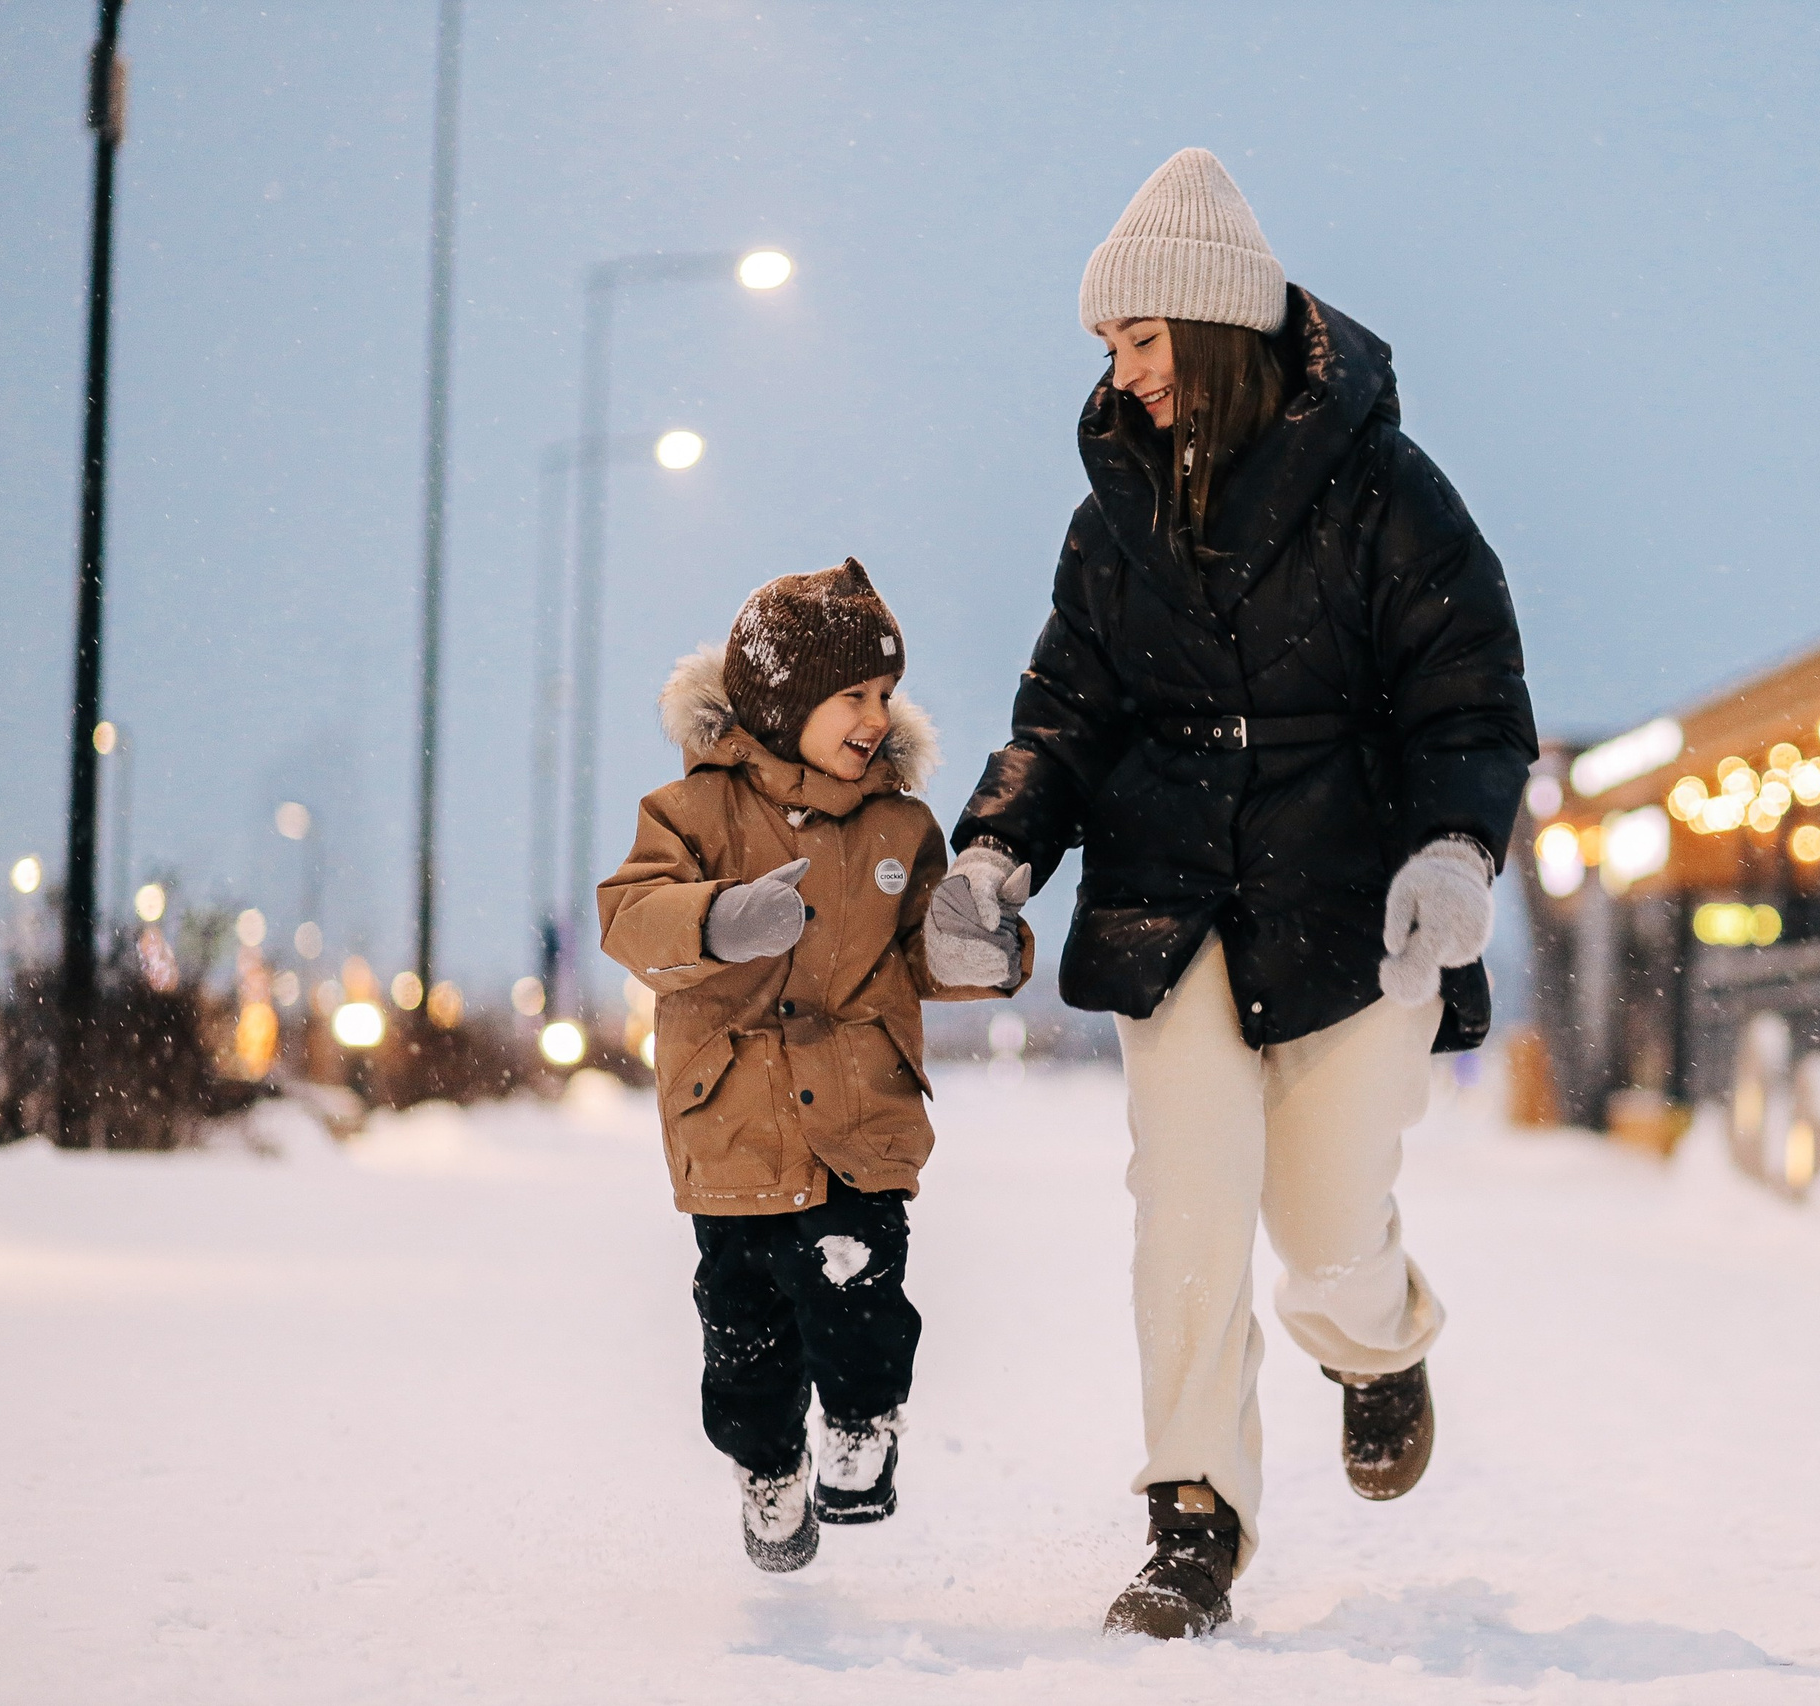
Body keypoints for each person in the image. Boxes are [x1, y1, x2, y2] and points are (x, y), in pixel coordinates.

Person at [932, 148, 1536, 1637]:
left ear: (1211, 326)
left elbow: (1468, 695)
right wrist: (995, 851)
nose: (1122, 372)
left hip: (1353, 905)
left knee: (1326, 1228)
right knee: (1188, 1209)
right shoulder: (1112, 519)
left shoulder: (1387, 492)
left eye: (1140, 338)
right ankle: (1191, 1519)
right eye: (1108, 346)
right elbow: (1064, 715)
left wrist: (1453, 851)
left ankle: (1377, 1340)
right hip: (1171, 899)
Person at [599, 559, 1030, 1573]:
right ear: (783, 703)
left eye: (885, 693)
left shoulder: (899, 825)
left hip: (857, 1115)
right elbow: (630, 917)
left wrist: (980, 947)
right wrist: (716, 918)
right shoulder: (690, 813)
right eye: (853, 695)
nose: (876, 717)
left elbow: (923, 949)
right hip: (733, 1121)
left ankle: (863, 1420)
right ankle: (767, 1465)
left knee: (861, 1300)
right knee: (744, 1333)